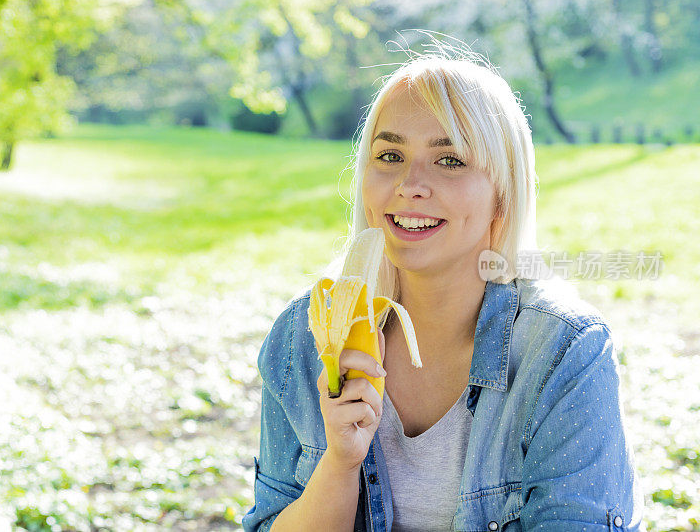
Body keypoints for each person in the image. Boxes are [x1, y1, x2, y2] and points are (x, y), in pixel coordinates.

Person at [242, 39, 644, 532]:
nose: (409, 184)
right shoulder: (304, 336)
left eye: (449, 160)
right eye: (389, 155)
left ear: (502, 194)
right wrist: (339, 466)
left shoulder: (562, 349)